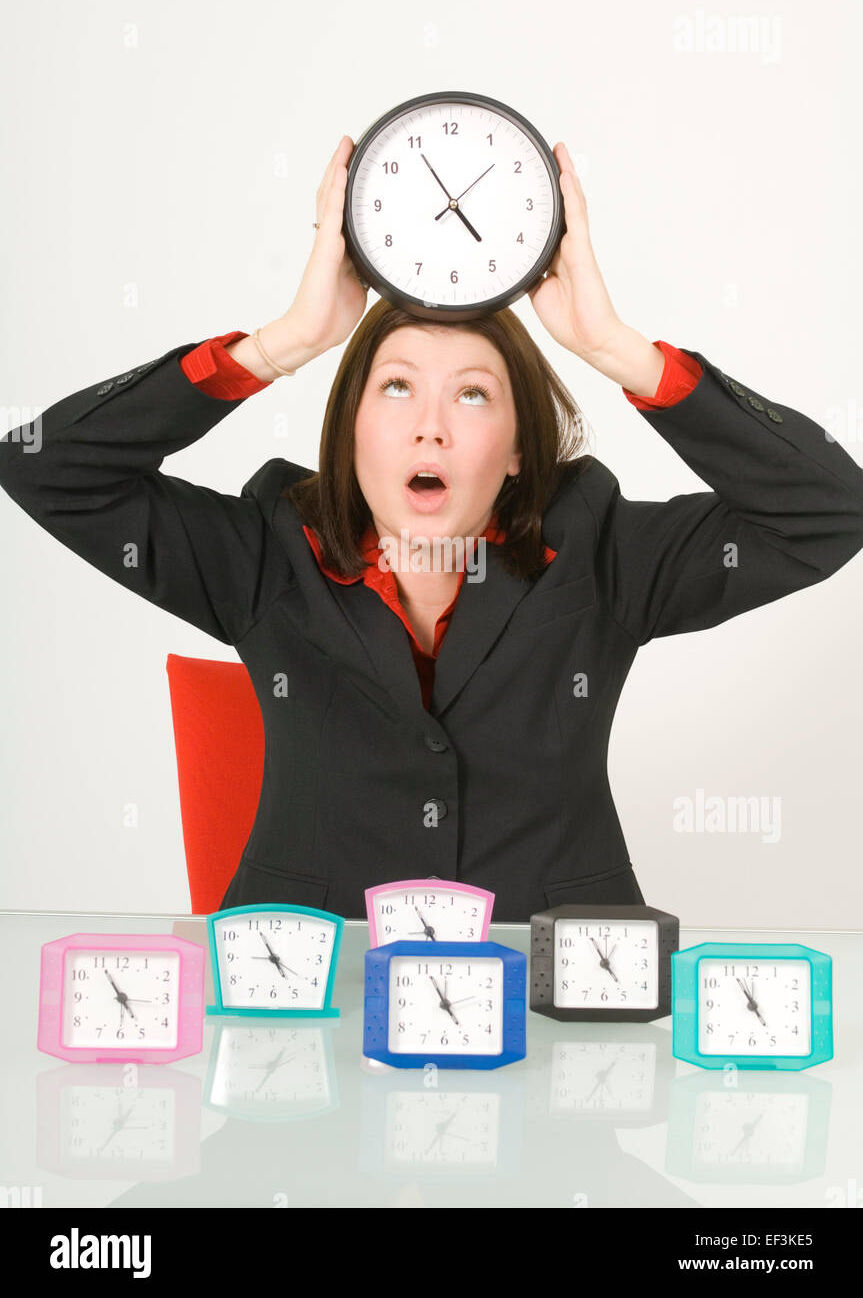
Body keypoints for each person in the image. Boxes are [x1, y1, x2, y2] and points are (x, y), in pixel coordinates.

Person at [2, 136, 863, 921]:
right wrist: (283, 343)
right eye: (397, 387)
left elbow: (829, 510)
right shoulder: (264, 553)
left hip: (555, 987)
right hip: (307, 987)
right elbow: (44, 466)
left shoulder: (599, 551)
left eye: (473, 395)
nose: (431, 428)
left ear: (519, 449)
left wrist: (614, 350)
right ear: (351, 428)